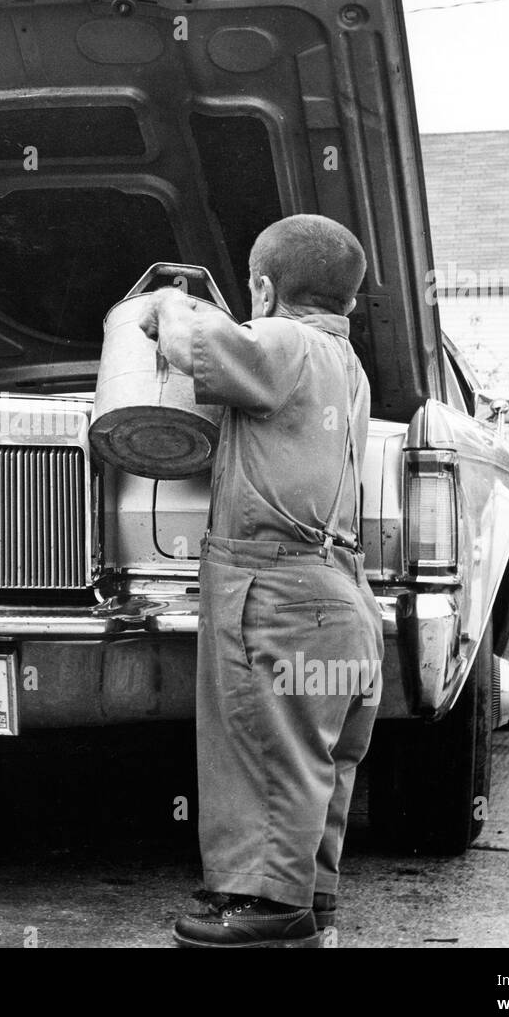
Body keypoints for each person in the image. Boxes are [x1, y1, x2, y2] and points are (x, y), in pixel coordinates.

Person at [140, 213, 383, 949]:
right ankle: (309, 900)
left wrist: (164, 304)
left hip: (276, 590)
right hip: (338, 594)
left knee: (264, 746)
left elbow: (188, 343)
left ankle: (266, 906)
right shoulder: (349, 364)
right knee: (318, 758)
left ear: (267, 288)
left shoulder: (285, 341)